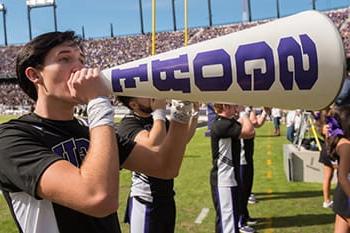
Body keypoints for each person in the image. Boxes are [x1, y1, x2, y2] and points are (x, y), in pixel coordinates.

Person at [0, 31, 194, 233]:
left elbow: (165, 166)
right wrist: (98, 102)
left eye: (81, 60)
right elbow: (98, 198)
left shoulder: (89, 129)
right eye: (65, 59)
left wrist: (183, 104)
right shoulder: (11, 138)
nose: (79, 68)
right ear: (34, 75)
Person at [117, 96, 198, 233]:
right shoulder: (128, 124)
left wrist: (194, 114)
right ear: (134, 105)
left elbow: (180, 141)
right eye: (144, 95)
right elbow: (154, 145)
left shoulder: (157, 119)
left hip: (166, 197)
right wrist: (159, 112)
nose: (151, 96)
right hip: (146, 200)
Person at [210, 103, 255, 233]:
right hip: (224, 180)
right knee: (227, 224)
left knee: (230, 220)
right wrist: (243, 113)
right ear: (225, 106)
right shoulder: (222, 124)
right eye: (233, 105)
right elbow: (250, 131)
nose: (235, 107)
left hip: (228, 179)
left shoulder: (226, 123)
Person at [238, 106, 269, 230]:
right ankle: (240, 221)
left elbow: (256, 123)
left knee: (247, 188)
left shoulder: (245, 109)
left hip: (247, 156)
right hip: (241, 158)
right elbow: (251, 130)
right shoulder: (239, 112)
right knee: (242, 190)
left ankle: (244, 216)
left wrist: (265, 112)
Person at [326, 105, 350, 233]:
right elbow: (342, 176)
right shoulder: (346, 145)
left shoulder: (337, 140)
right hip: (347, 195)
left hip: (341, 194)